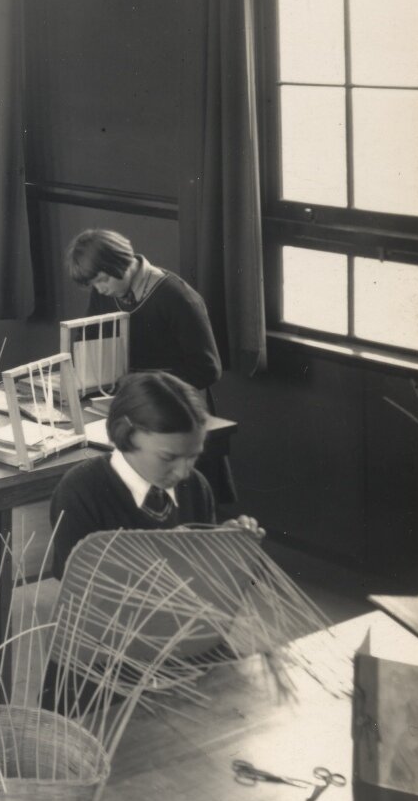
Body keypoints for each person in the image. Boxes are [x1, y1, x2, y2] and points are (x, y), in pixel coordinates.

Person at [47, 370, 260, 576]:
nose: (183, 473)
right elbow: (81, 585)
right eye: (168, 457)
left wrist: (222, 549)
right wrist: (175, 555)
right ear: (126, 434)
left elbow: (204, 578)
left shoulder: (196, 486)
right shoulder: (79, 491)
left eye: (193, 456)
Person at [65, 229, 221, 395]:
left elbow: (207, 369)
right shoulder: (103, 292)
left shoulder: (179, 297)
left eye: (103, 280)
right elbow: (87, 339)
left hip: (174, 400)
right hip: (128, 395)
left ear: (120, 263)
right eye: (93, 284)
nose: (100, 289)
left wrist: (141, 384)